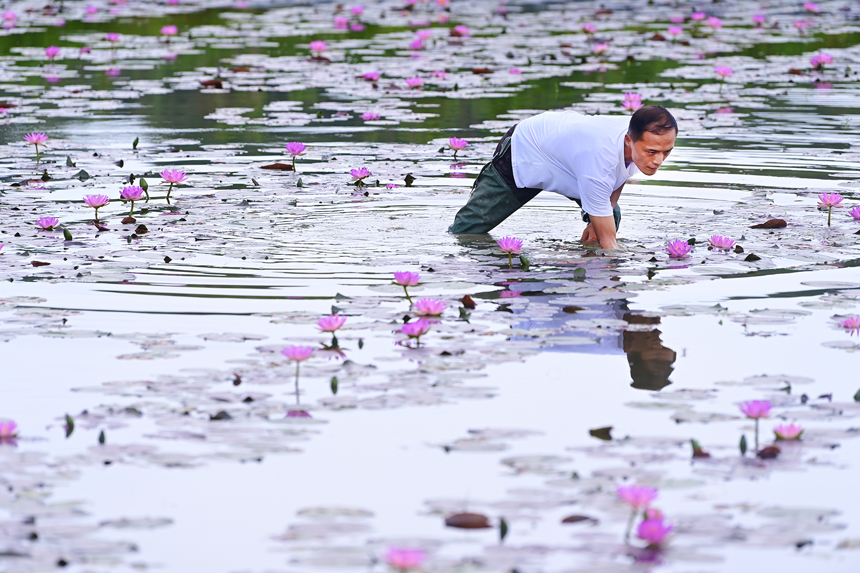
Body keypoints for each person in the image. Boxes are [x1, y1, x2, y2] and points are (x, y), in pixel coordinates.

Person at [448, 105, 677, 249]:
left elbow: (620, 173)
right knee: (469, 229)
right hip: (526, 149)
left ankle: (583, 269)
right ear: (629, 140)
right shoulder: (599, 159)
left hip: (570, 159)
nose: (659, 160)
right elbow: (609, 245)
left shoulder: (641, 140)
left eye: (667, 151)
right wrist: (620, 272)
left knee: (609, 215)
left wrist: (595, 218)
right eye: (652, 152)